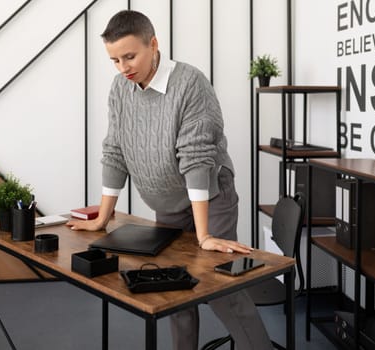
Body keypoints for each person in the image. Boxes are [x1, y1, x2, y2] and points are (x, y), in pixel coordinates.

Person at [66, 10, 272, 350]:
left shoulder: (190, 83)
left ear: (154, 44)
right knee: (174, 288)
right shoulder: (121, 88)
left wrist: (204, 235)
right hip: (168, 202)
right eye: (115, 60)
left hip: (211, 196)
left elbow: (197, 158)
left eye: (130, 56)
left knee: (220, 286)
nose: (123, 67)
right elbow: (115, 150)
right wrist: (102, 217)